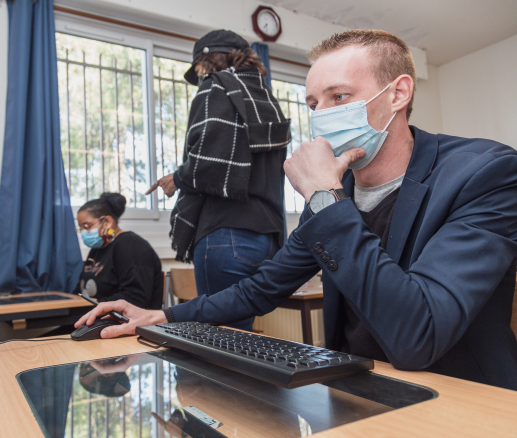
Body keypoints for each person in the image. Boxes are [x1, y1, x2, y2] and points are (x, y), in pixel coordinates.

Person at [76, 30, 517, 390]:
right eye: (312, 104)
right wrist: (163, 315)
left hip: (461, 399)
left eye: (339, 97)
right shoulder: (335, 192)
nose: (321, 116)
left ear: (399, 93)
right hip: (361, 393)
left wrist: (324, 195)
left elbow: (417, 335)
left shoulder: (485, 174)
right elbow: (263, 288)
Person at [145, 30, 292, 331]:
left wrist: (176, 177)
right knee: (240, 337)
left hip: (225, 235)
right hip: (266, 237)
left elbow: (207, 164)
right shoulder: (267, 100)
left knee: (219, 341)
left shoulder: (217, 87)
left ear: (208, 61)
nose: (198, 76)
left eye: (198, 68)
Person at [74, 193, 163, 309]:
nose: (84, 232)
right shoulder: (97, 249)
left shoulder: (131, 245)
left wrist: (95, 308)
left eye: (87, 226)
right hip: (95, 317)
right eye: (81, 228)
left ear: (107, 222)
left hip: (124, 322)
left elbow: (136, 297)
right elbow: (80, 290)